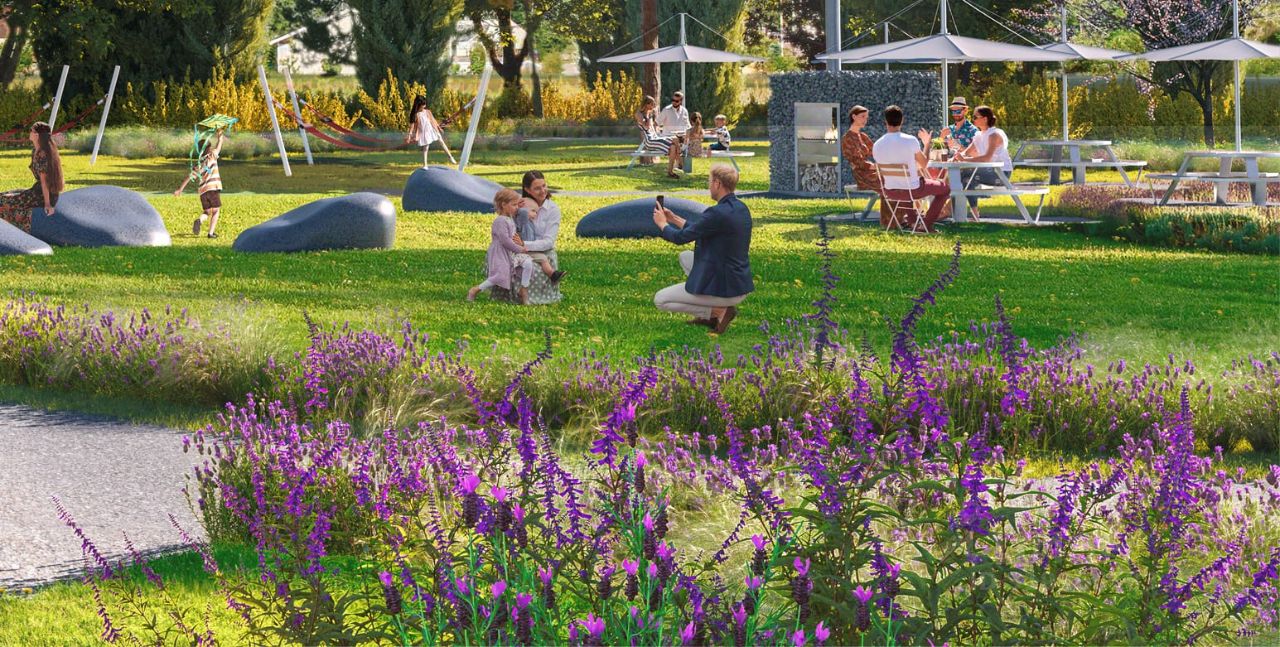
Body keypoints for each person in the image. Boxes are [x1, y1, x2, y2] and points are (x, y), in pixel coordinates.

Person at [652, 165, 753, 335]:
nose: (709, 186)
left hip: (726, 290)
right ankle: (716, 309)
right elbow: (701, 229)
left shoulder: (716, 213)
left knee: (661, 300)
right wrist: (673, 218)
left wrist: (662, 224)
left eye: (710, 182)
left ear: (717, 183)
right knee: (686, 257)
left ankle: (717, 312)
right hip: (738, 283)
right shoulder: (740, 208)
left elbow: (679, 238)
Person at [871, 105, 950, 233]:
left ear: (885, 121)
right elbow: (924, 164)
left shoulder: (877, 145)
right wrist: (927, 144)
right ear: (902, 120)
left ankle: (913, 221)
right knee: (945, 189)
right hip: (912, 190)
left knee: (904, 185)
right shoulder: (910, 140)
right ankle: (926, 225)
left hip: (890, 191)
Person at [468, 189, 535, 305]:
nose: (516, 208)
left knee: (528, 263)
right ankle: (475, 290)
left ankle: (523, 289)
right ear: (504, 205)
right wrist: (520, 249)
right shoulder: (500, 221)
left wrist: (520, 245)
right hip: (500, 253)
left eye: (517, 205)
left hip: (511, 253)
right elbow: (505, 241)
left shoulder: (510, 219)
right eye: (513, 205)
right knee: (499, 276)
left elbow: (514, 234)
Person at [954, 105, 1013, 221]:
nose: (973, 119)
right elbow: (966, 152)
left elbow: (987, 158)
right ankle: (974, 215)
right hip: (987, 171)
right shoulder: (979, 135)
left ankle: (949, 211)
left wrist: (964, 159)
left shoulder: (994, 135)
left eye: (975, 117)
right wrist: (955, 157)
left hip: (1001, 174)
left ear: (985, 119)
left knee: (962, 174)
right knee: (964, 179)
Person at [0, 122, 63, 233]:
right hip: (37, 190)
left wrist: (48, 204)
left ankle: (11, 230)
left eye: (31, 131)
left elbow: (44, 182)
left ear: (37, 135)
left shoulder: (42, 154)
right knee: (2, 195)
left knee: (3, 200)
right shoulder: (35, 151)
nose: (29, 133)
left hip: (44, 195)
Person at [840, 105, 893, 226]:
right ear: (854, 117)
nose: (865, 120)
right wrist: (873, 166)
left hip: (870, 171)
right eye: (862, 116)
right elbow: (855, 161)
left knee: (893, 178)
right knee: (886, 182)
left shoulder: (863, 136)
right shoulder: (847, 138)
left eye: (866, 117)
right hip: (861, 174)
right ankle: (888, 220)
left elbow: (876, 151)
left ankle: (898, 216)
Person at [174, 126, 227, 238]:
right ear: (209, 147)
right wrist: (220, 135)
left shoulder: (198, 163)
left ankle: (199, 220)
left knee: (207, 212)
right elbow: (220, 144)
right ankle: (210, 233)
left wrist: (180, 190)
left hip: (203, 191)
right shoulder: (212, 155)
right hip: (212, 188)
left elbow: (189, 177)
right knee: (216, 211)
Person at [514, 170, 566, 284]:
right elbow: (507, 223)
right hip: (517, 249)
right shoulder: (519, 205)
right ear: (527, 190)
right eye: (537, 188)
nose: (543, 191)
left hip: (542, 251)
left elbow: (549, 242)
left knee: (536, 266)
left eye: (544, 186)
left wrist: (524, 244)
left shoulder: (552, 209)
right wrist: (520, 212)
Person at [635, 96, 684, 178]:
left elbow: (653, 129)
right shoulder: (639, 114)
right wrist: (648, 116)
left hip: (655, 138)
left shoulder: (649, 114)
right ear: (646, 104)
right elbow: (646, 127)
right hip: (649, 141)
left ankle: (670, 172)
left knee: (673, 146)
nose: (653, 106)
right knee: (675, 140)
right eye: (652, 104)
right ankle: (680, 162)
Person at [405, 95, 456, 167]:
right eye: (423, 104)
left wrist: (439, 128)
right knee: (426, 147)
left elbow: (433, 121)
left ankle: (450, 157)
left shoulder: (427, 112)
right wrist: (409, 136)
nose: (424, 106)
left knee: (441, 141)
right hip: (424, 132)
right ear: (418, 105)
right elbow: (412, 126)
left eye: (425, 104)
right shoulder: (416, 115)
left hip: (432, 129)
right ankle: (425, 165)